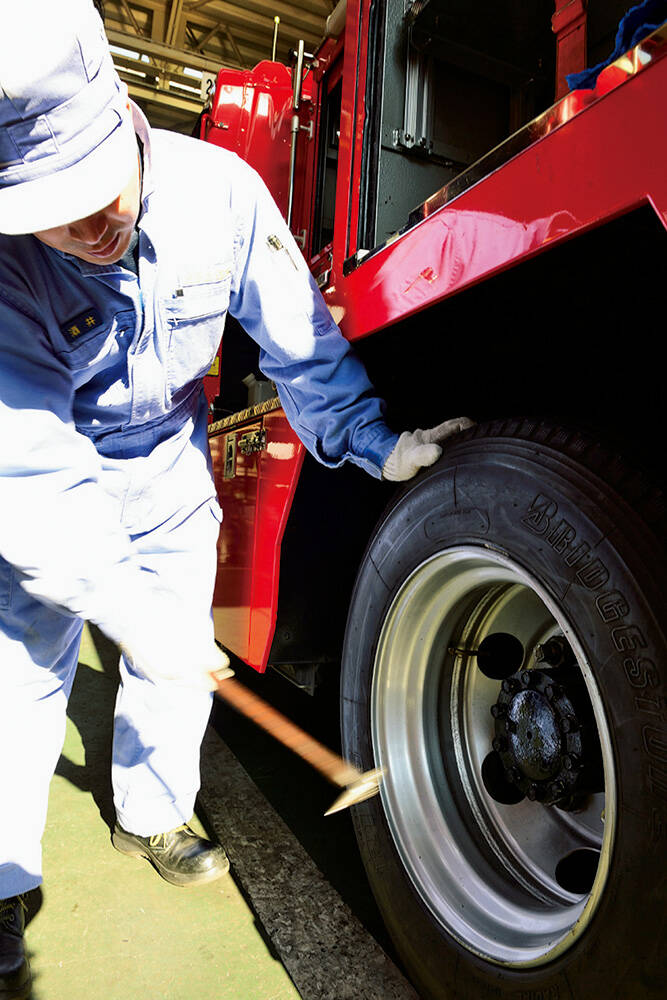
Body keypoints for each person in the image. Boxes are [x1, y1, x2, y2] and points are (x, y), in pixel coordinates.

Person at [0, 1, 471, 995]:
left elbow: (299, 339)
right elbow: (29, 474)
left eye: (94, 185)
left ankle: (151, 812)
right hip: (60, 475)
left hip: (168, 459)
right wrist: (122, 606)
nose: (84, 224)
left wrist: (376, 446)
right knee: (19, 671)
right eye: (47, 203)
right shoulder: (10, 268)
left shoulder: (222, 191)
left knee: (175, 664)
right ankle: (4, 871)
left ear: (120, 113)